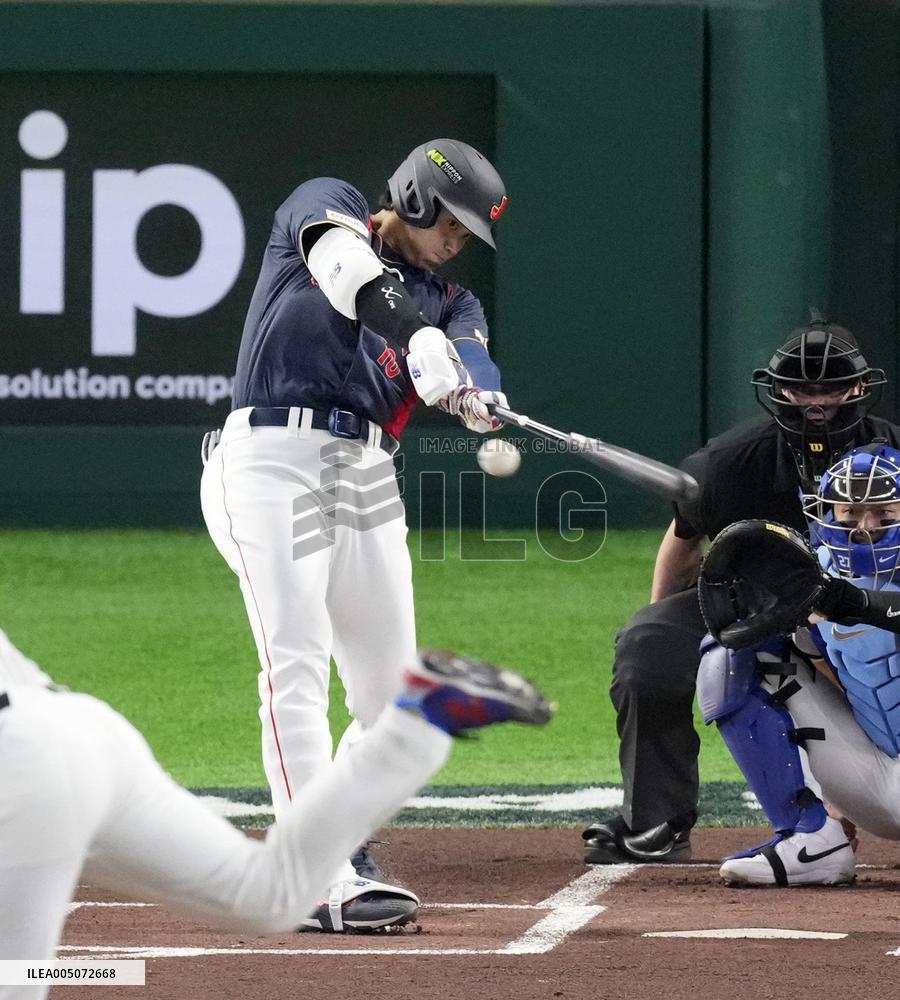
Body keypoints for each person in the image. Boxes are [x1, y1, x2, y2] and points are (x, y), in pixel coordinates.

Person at [200, 140, 509, 929]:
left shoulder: (453, 302)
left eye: (469, 232)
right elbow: (349, 274)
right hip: (268, 457)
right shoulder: (325, 202)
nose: (457, 240)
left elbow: (471, 357)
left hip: (367, 475)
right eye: (452, 221)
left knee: (391, 706)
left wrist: (477, 396)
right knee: (294, 660)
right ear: (411, 198)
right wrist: (416, 340)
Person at [0, 633, 552, 995]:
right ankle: (419, 721)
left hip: (23, 772)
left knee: (16, 979)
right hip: (84, 731)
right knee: (269, 894)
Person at [581, 317, 900, 865]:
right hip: (757, 599)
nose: (816, 402)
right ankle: (658, 822)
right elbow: (682, 546)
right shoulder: (728, 464)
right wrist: (659, 625)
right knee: (648, 646)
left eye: (829, 387)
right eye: (803, 388)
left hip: (867, 607)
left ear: (857, 388)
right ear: (777, 390)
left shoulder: (894, 452)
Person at [697, 444, 900, 886]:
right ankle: (812, 840)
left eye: (885, 514)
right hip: (881, 779)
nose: (866, 529)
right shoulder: (818, 575)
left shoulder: (839, 590)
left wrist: (859, 604)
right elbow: (832, 667)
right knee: (733, 651)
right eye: (850, 513)